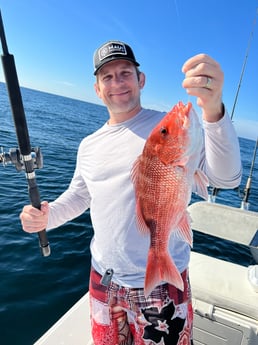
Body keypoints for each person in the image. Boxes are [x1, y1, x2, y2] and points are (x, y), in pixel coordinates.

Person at [20, 40, 242, 345]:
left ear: (141, 80)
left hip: (163, 283)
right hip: (103, 280)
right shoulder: (89, 145)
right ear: (97, 89)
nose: (117, 82)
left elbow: (227, 177)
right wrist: (47, 217)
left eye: (125, 72)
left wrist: (214, 109)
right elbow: (80, 196)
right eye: (107, 77)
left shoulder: (167, 127)